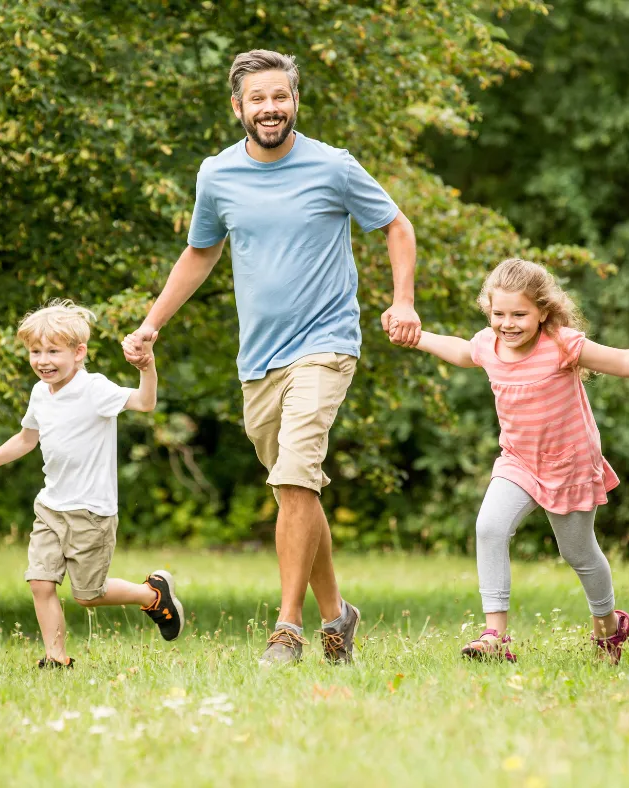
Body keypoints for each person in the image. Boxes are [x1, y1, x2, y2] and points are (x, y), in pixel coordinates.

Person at [122, 49, 421, 666]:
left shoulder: (332, 167)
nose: (269, 109)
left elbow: (397, 225)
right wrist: (152, 323)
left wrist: (403, 301)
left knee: (293, 476)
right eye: (257, 99)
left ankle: (288, 630)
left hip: (328, 344)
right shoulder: (218, 176)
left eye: (279, 97)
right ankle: (339, 618)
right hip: (259, 360)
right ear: (238, 107)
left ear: (295, 101)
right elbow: (200, 252)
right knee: (297, 494)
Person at [391, 258, 629, 663]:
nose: (508, 323)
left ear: (543, 311)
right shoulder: (488, 345)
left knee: (577, 553)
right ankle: (495, 635)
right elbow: (460, 351)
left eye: (519, 314)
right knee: (489, 526)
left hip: (568, 464)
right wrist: (416, 337)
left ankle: (609, 625)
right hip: (518, 461)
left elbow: (623, 362)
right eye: (498, 313)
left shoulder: (562, 344)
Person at [0, 300, 184, 668]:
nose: (43, 360)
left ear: (78, 352)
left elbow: (145, 402)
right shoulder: (41, 393)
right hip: (51, 507)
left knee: (88, 595)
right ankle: (56, 658)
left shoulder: (95, 389)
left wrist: (147, 368)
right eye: (35, 351)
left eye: (53, 351)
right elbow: (26, 439)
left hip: (91, 512)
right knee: (40, 582)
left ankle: (151, 594)